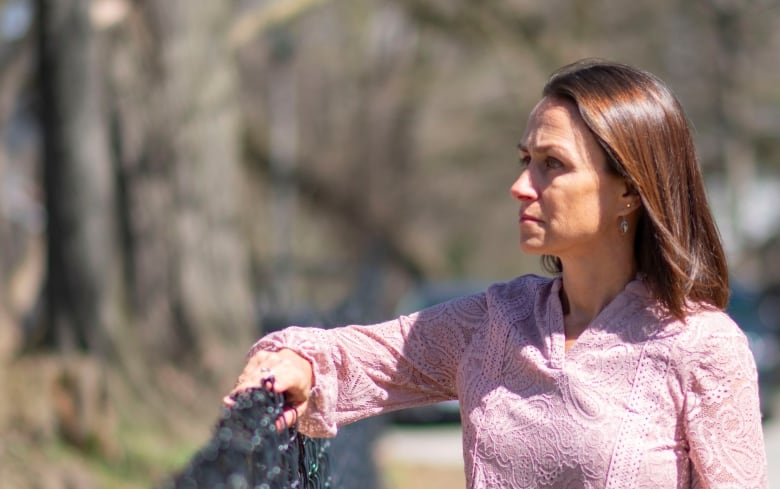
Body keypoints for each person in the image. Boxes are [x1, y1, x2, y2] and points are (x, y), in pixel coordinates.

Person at [225, 59, 768, 488]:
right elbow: (359, 357)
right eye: (524, 159)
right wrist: (292, 364)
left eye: (552, 164)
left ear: (628, 189)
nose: (522, 185)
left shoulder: (701, 347)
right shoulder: (496, 322)